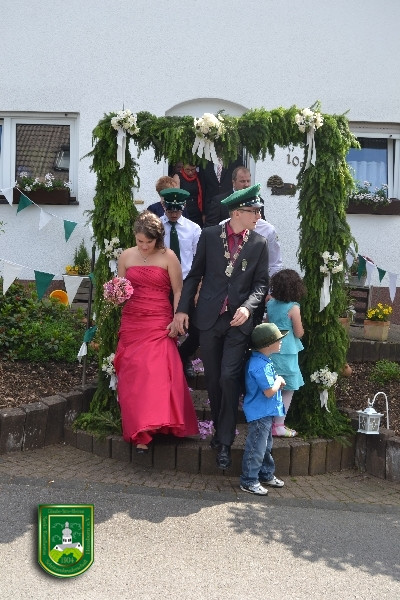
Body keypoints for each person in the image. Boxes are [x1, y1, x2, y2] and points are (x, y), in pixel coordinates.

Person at [173, 184, 269, 470]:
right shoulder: (210, 235)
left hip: (239, 322)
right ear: (237, 212)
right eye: (254, 211)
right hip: (209, 319)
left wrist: (247, 307)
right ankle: (219, 431)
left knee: (229, 377)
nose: (259, 216)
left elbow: (261, 285)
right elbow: (194, 276)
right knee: (214, 380)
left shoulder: (259, 243)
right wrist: (182, 310)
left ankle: (225, 441)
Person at [114, 211, 199, 452]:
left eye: (148, 242)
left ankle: (158, 423)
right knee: (133, 372)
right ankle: (140, 429)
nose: (144, 246)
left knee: (156, 372)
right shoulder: (126, 256)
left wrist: (176, 319)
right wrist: (114, 295)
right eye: (140, 241)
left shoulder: (168, 256)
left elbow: (178, 290)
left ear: (158, 239)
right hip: (132, 320)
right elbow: (121, 289)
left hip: (159, 320)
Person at [239, 322, 287, 495]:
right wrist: (279, 381)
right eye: (278, 339)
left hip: (264, 412)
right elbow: (268, 392)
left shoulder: (262, 361)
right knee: (257, 448)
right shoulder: (259, 365)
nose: (281, 342)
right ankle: (249, 480)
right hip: (260, 413)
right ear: (267, 345)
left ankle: (265, 474)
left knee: (264, 446)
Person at [159, 187, 202, 377]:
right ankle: (165, 362)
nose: (174, 213)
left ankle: (182, 356)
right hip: (162, 284)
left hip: (186, 285)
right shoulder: (157, 227)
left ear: (183, 207)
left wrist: (198, 288)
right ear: (163, 206)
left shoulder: (193, 229)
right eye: (170, 209)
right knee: (164, 326)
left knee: (197, 329)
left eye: (178, 209)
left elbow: (199, 260)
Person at [265, 269, 306, 437]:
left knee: (272, 385)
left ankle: (267, 423)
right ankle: (279, 425)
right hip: (287, 352)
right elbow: (299, 332)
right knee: (288, 387)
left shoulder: (270, 303)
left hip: (271, 348)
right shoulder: (293, 308)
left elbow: (268, 324)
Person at [173, 163, 204, 228]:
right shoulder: (177, 177)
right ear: (183, 168)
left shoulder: (198, 176)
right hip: (184, 209)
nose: (190, 172)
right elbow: (176, 195)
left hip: (196, 209)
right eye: (187, 169)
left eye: (193, 170)